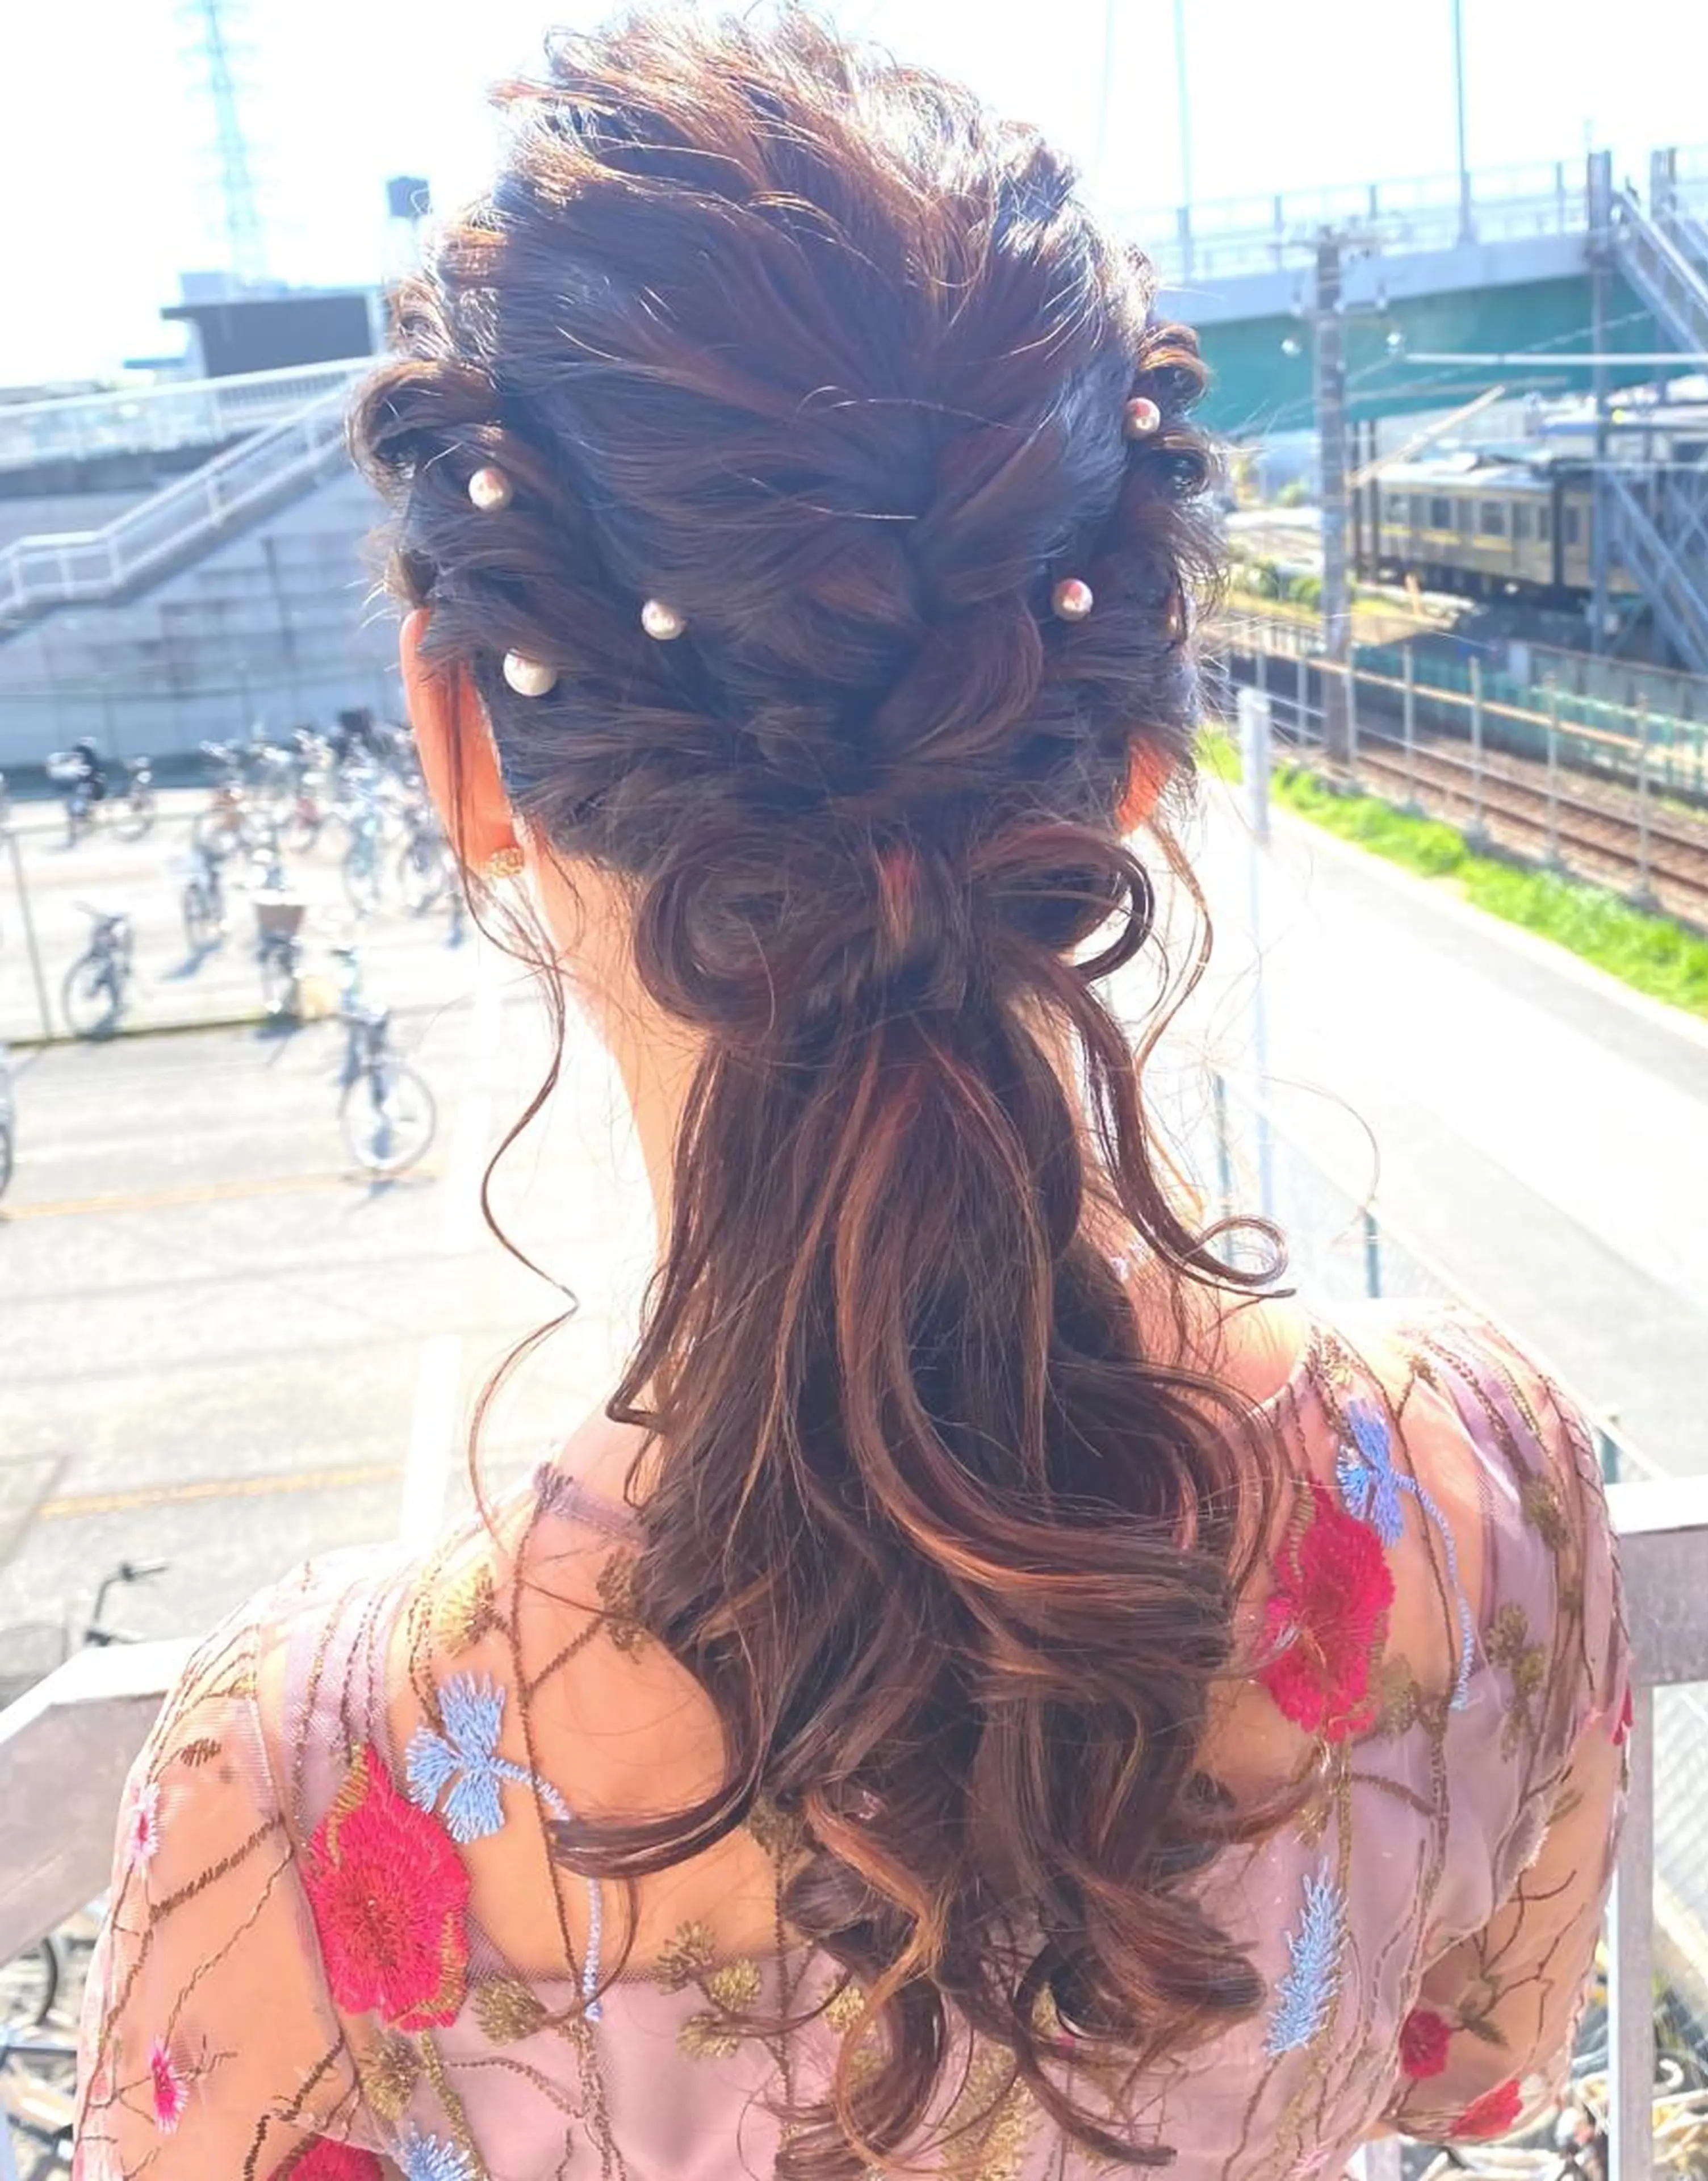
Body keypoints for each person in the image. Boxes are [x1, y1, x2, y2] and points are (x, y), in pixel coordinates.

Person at [73, 15, 1627, 2179]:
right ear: (1132, 761)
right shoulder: (1495, 1496)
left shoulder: (299, 1808)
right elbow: (1473, 2068)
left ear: (461, 759)